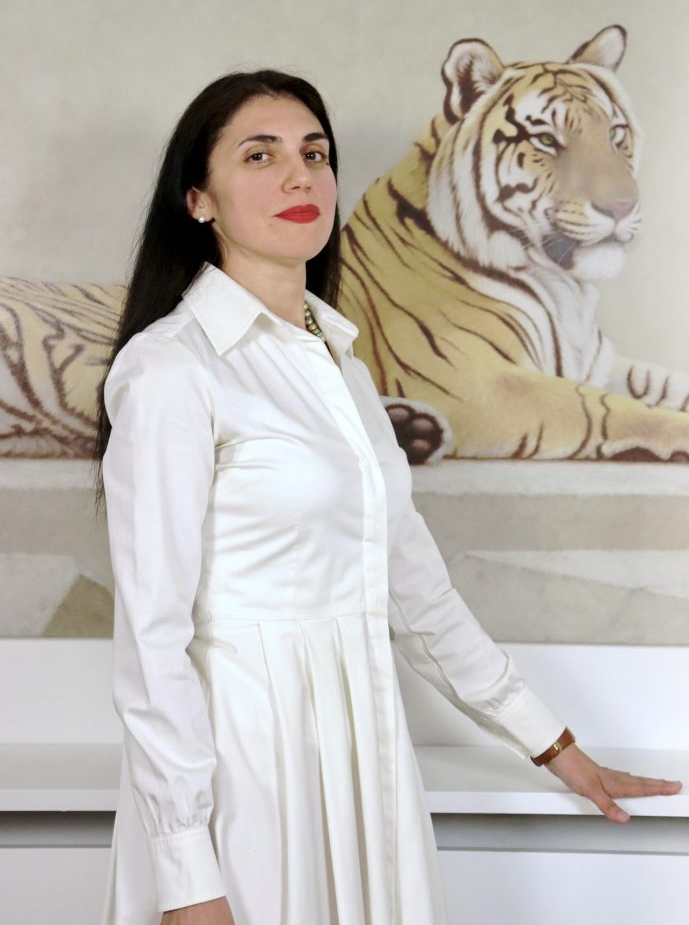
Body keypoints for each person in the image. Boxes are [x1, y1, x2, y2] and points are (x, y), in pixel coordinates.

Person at [93, 69, 682, 925]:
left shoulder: (346, 371)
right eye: (261, 155)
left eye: (315, 153)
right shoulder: (169, 370)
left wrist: (554, 746)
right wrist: (188, 875)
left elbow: (414, 591)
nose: (300, 177)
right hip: (245, 775)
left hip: (364, 758)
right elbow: (152, 643)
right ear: (198, 200)